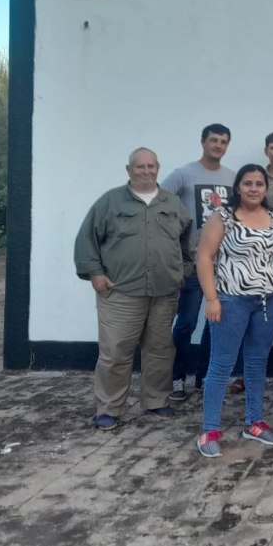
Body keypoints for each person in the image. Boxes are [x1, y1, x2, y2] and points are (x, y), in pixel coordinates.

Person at [74, 147, 191, 431]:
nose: (146, 171)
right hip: (121, 292)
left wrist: (182, 271)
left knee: (160, 350)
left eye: (151, 166)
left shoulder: (172, 203)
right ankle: (109, 408)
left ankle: (155, 400)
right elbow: (86, 239)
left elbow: (187, 240)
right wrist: (95, 274)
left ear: (158, 168)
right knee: (115, 352)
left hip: (164, 292)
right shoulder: (110, 202)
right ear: (129, 170)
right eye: (140, 166)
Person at [195, 164, 273, 458]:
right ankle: (210, 429)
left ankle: (254, 422)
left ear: (265, 188)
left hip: (268, 301)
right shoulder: (222, 217)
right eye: (248, 183)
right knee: (221, 364)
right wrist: (211, 299)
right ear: (238, 187)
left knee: (257, 362)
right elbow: (204, 256)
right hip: (231, 300)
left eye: (259, 184)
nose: (254, 188)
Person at [161, 124, 236, 403]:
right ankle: (177, 377)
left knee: (214, 324)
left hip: (224, 265)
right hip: (192, 263)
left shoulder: (232, 178)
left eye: (223, 141)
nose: (218, 145)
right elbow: (159, 205)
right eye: (214, 140)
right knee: (186, 323)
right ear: (203, 142)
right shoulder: (183, 174)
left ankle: (204, 378)